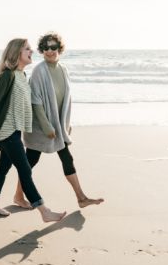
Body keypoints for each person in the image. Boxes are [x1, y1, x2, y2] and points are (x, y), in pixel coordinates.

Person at [0, 38, 66, 222]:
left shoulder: (22, 76)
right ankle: (44, 211)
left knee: (3, 167)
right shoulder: (7, 76)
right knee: (25, 169)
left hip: (15, 130)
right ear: (16, 53)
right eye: (27, 49)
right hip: (7, 132)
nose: (32, 52)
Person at [15, 32, 104, 208]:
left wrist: (65, 125)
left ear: (59, 49)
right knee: (30, 162)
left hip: (58, 127)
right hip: (41, 128)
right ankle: (19, 196)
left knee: (64, 159)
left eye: (53, 47)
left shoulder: (63, 70)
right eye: (46, 48)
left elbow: (65, 101)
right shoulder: (39, 71)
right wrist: (47, 126)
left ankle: (81, 198)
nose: (49, 51)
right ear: (41, 50)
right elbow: (36, 102)